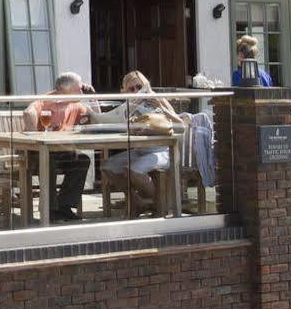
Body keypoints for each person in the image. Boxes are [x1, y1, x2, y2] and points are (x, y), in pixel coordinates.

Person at [100, 72, 186, 216]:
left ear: (146, 86)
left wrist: (161, 107)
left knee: (133, 170)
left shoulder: (158, 99)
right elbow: (120, 125)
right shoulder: (128, 106)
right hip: (141, 150)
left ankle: (159, 203)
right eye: (131, 89)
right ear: (124, 91)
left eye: (139, 87)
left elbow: (181, 126)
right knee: (107, 165)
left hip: (163, 150)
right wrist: (134, 105)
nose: (136, 91)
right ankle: (137, 201)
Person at [27, 72, 92, 221]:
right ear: (65, 88)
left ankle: (64, 206)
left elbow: (95, 118)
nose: (81, 91)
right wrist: (35, 134)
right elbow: (28, 112)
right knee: (47, 161)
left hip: (61, 151)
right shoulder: (46, 100)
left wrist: (93, 98)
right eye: (78, 88)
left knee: (82, 160)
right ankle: (50, 210)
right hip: (38, 151)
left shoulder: (74, 102)